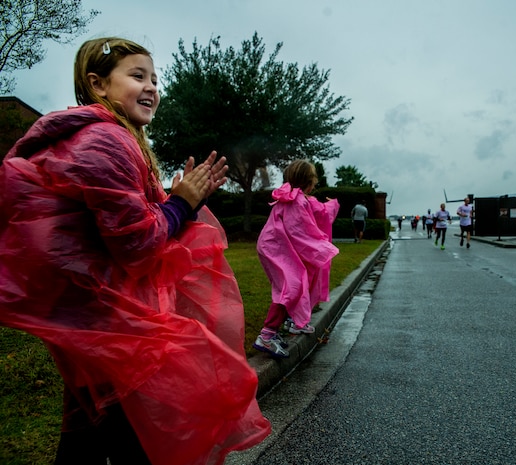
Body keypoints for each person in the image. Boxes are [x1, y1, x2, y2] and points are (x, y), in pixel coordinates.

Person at [0, 37, 270, 465]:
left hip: (93, 317)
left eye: (155, 80)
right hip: (113, 322)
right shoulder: (106, 142)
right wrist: (181, 203)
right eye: (137, 76)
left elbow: (130, 222)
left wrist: (183, 200)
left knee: (90, 430)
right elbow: (138, 244)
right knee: (131, 436)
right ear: (98, 84)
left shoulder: (101, 138)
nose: (152, 88)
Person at [254, 159, 340, 358]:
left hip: (276, 246)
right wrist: (321, 247)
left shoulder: (297, 198)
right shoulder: (296, 200)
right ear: (308, 181)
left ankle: (289, 324)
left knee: (294, 285)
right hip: (275, 248)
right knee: (290, 287)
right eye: (314, 179)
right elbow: (299, 231)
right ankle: (266, 336)